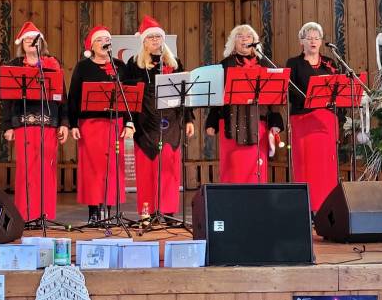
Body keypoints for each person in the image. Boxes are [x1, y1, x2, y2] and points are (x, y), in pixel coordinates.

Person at [126, 16, 194, 219]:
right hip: (145, 123)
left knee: (168, 167)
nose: (155, 40)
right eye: (151, 37)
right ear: (144, 41)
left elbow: (184, 94)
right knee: (146, 169)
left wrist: (188, 119)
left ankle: (168, 211)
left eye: (158, 36)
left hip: (171, 123)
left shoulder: (174, 63)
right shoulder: (134, 64)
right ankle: (148, 213)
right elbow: (128, 97)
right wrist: (129, 122)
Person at [0, 22, 69, 221]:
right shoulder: (14, 65)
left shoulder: (53, 64)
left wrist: (64, 123)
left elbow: (62, 97)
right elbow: (7, 100)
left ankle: (45, 215)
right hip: (23, 125)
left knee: (46, 170)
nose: (31, 42)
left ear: (42, 43)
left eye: (34, 39)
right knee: (26, 171)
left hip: (49, 125)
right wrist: (7, 126)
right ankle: (25, 216)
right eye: (27, 39)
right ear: (21, 44)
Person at [68, 25, 135, 223]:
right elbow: (73, 97)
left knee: (113, 168)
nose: (105, 42)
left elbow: (129, 97)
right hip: (90, 124)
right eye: (99, 39)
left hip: (115, 124)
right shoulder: (83, 67)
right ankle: (94, 211)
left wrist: (129, 122)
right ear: (91, 45)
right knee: (93, 170)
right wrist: (73, 124)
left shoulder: (120, 66)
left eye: (107, 39)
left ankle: (110, 209)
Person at [206, 24, 283, 183]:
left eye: (249, 36)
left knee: (255, 169)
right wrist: (212, 121)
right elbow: (217, 95)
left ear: (254, 42)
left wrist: (275, 121)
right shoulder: (225, 65)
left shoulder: (265, 64)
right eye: (240, 36)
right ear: (233, 42)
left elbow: (274, 96)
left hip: (258, 123)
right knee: (233, 169)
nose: (244, 39)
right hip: (230, 121)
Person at [285, 22, 340, 212]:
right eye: (309, 38)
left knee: (326, 165)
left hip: (326, 120)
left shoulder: (329, 63)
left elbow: (338, 88)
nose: (313, 41)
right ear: (301, 41)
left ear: (321, 41)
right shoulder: (293, 63)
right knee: (306, 164)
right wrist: (310, 99)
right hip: (304, 119)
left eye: (317, 38)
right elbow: (290, 91)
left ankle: (328, 207)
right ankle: (307, 207)